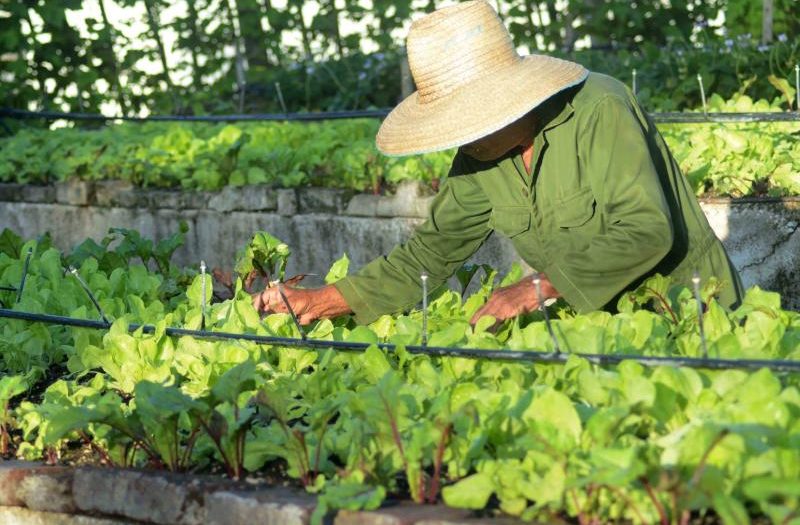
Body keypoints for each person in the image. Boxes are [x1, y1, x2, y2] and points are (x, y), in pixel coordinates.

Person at [252, 0, 743, 326]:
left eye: (472, 120)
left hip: (693, 317)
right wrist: (321, 301)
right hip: (601, 333)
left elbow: (645, 229)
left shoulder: (599, 108)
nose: (463, 139)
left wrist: (537, 287)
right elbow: (427, 257)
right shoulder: (480, 157)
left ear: (513, 99)